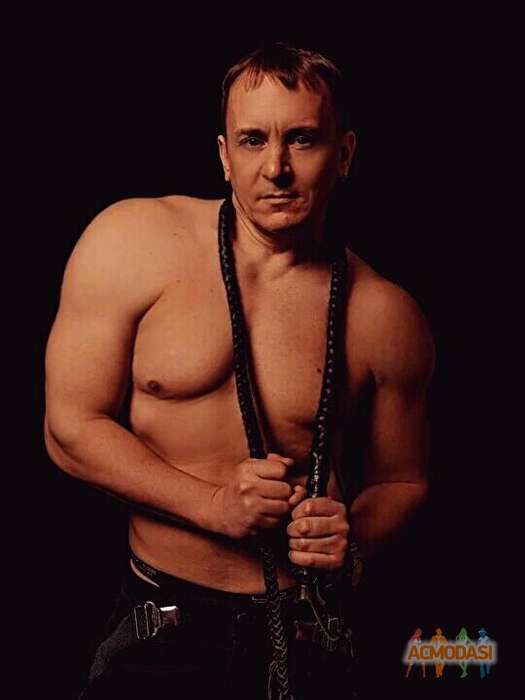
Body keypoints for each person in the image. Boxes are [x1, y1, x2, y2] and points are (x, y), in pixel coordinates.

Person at [44, 42, 435, 699]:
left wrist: (352, 538)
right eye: (253, 141)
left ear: (343, 154)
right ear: (225, 156)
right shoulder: (131, 242)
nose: (275, 168)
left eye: (302, 139)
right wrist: (212, 506)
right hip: (163, 618)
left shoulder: (385, 315)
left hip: (311, 627)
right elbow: (68, 429)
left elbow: (403, 479)